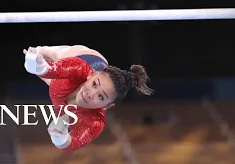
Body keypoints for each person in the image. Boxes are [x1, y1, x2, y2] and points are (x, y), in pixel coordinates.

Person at [23, 46, 153, 152]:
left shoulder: (94, 122)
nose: (91, 94)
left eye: (101, 97)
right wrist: (36, 61)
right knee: (47, 53)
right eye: (94, 84)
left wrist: (59, 137)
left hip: (63, 91)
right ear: (92, 75)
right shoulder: (78, 68)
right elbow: (48, 69)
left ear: (107, 106)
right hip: (85, 57)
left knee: (44, 74)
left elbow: (71, 143)